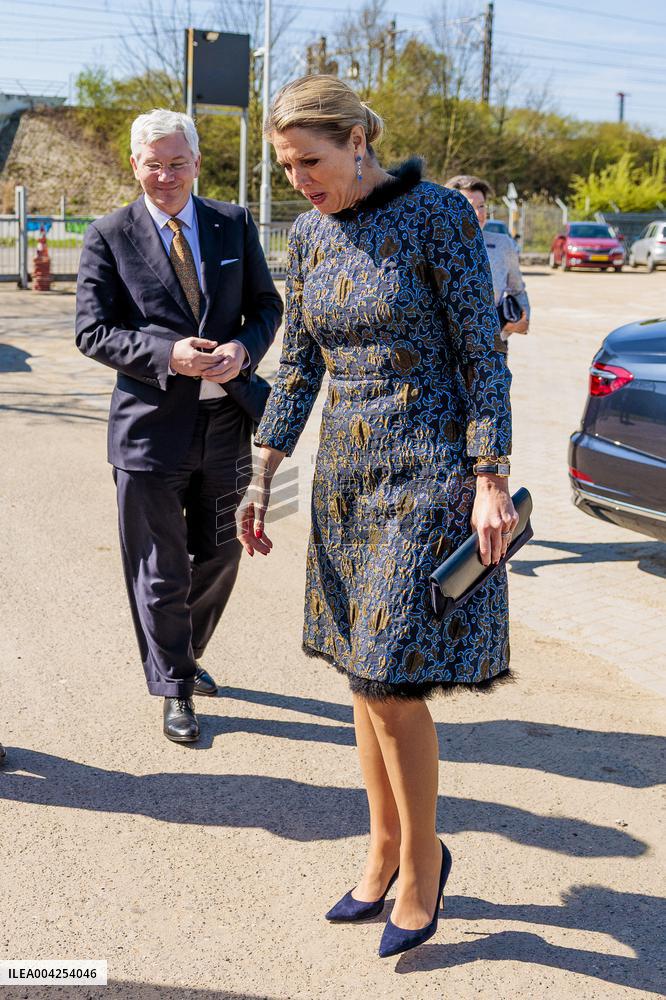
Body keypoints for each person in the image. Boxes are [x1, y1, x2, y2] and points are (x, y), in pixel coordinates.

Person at [237, 76, 517, 958]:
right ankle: (387, 849)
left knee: (392, 677)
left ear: (359, 139)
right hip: (346, 480)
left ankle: (425, 868)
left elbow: (483, 351)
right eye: (286, 168)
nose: (298, 182)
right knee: (362, 680)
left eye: (308, 162)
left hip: (430, 471)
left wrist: (490, 475)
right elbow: (302, 364)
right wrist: (262, 473)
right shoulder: (309, 234)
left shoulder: (439, 216)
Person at [76, 109, 283, 744]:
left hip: (227, 425)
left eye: (177, 162)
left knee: (221, 554)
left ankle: (180, 653)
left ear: (197, 163)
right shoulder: (108, 234)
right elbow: (92, 331)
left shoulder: (233, 223)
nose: (164, 175)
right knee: (159, 567)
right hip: (149, 432)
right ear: (134, 165)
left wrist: (244, 350)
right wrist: (169, 356)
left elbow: (266, 306)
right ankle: (174, 687)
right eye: (152, 163)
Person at [445, 174, 530, 351]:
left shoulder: (503, 244)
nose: (478, 213)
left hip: (493, 345)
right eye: (468, 206)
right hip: (446, 350)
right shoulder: (433, 246)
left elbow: (517, 289)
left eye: (481, 206)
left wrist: (522, 320)